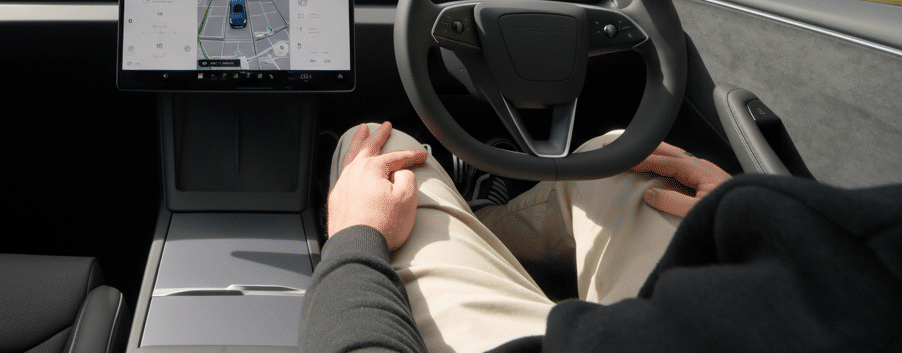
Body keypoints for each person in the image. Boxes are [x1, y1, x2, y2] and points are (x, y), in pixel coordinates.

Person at [299, 121, 902, 353]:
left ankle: (470, 217)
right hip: (734, 316)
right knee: (622, 155)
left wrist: (354, 237)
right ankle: (485, 220)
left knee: (376, 145)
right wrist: (743, 212)